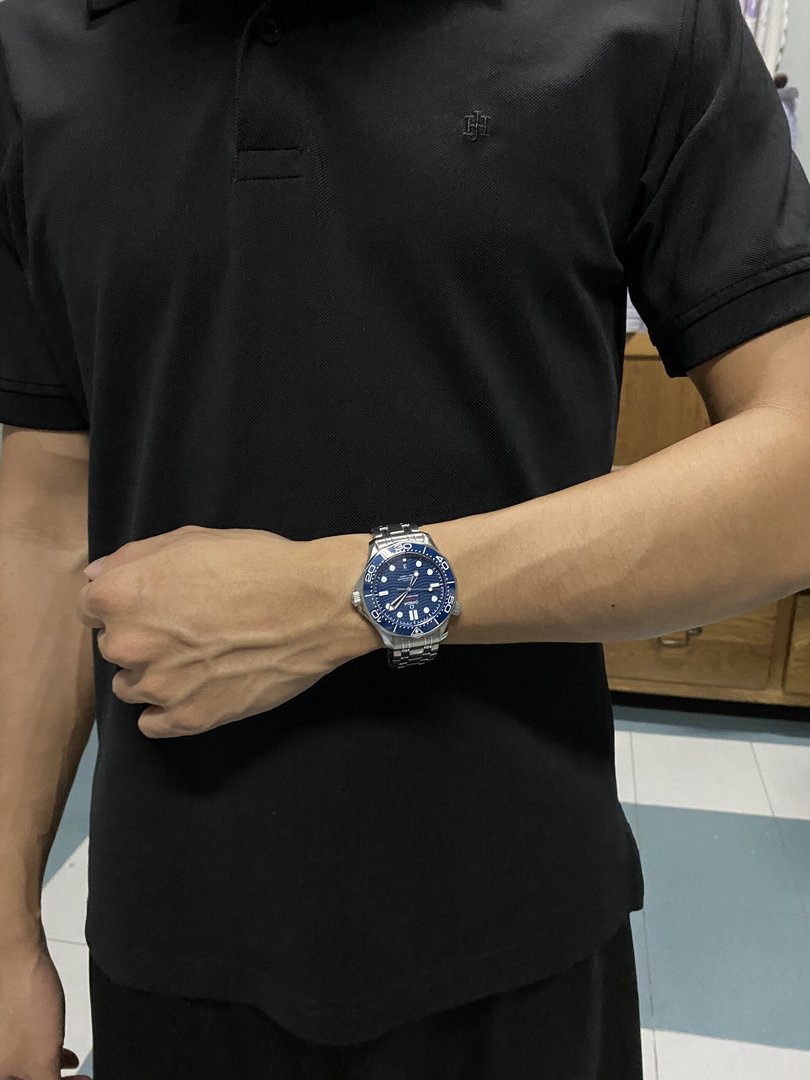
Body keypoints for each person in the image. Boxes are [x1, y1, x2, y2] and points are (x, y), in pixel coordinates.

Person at [1, 0, 809, 1077]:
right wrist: (5, 921)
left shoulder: (640, 20)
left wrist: (352, 597)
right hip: (169, 939)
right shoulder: (35, 45)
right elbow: (47, 505)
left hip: (516, 936)